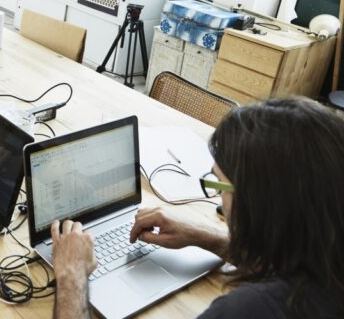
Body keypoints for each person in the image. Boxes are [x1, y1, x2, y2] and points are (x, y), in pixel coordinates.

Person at [52, 98, 344, 318]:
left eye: (220, 184)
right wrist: (208, 237)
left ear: (260, 203)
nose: (219, 202)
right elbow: (288, 260)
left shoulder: (248, 310)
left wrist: (71, 274)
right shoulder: (327, 264)